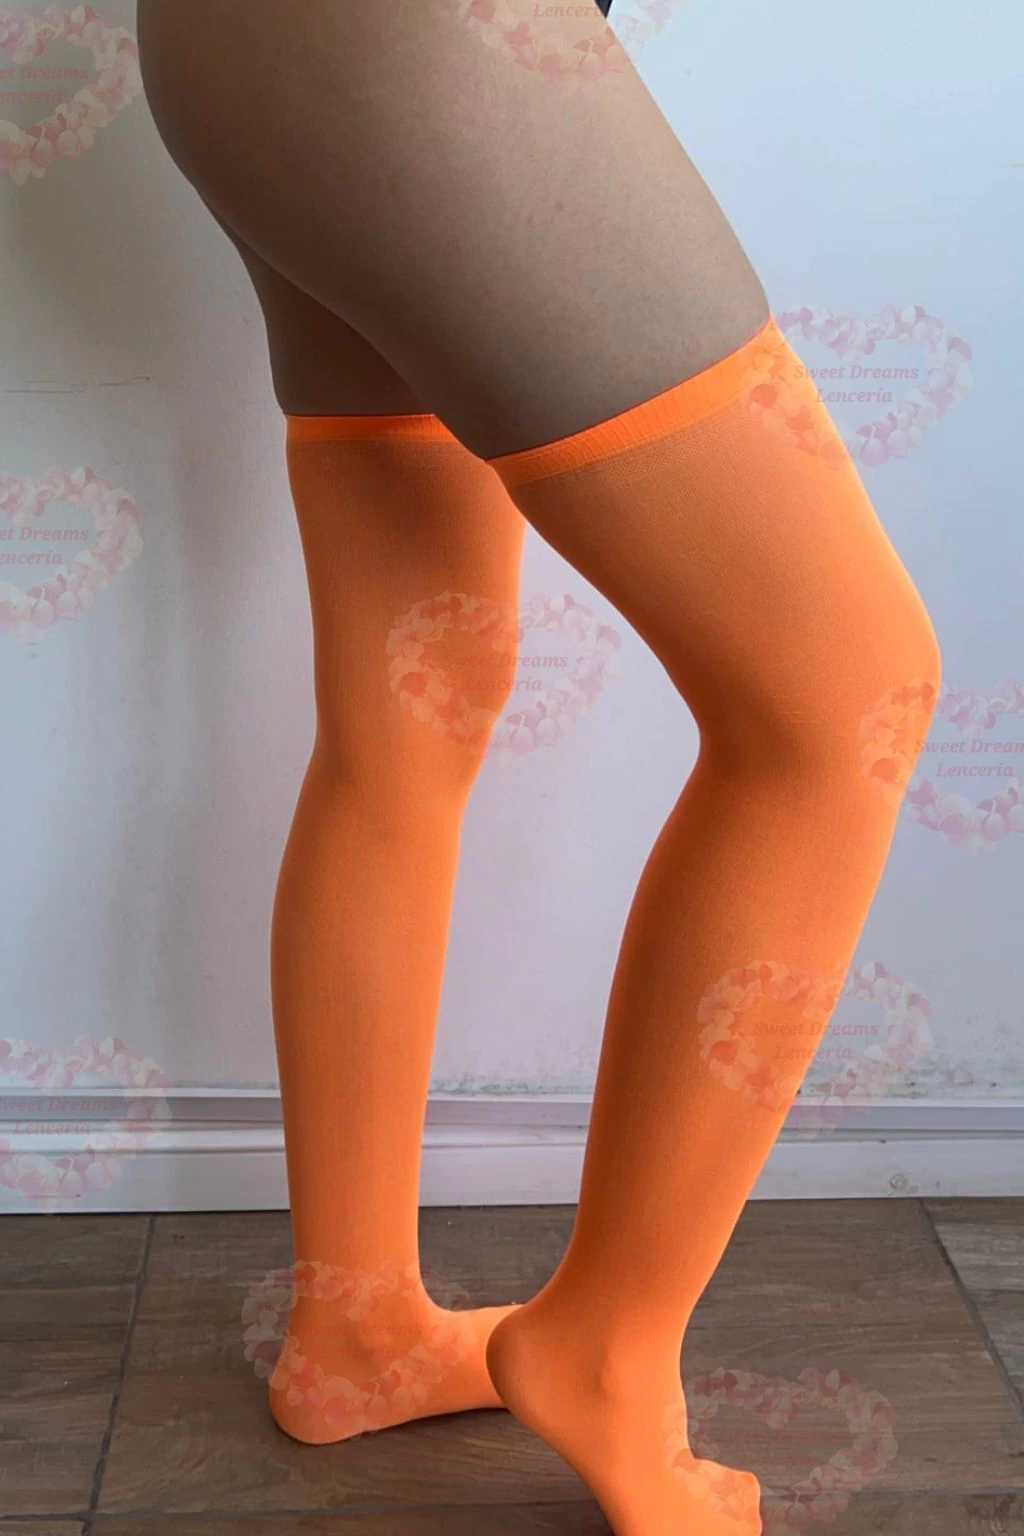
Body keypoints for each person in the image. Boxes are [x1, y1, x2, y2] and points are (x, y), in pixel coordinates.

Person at [136, 5, 941, 1532]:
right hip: (420, 42)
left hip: (234, 47)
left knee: (407, 714)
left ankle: (358, 1333)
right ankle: (606, 1352)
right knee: (845, 695)